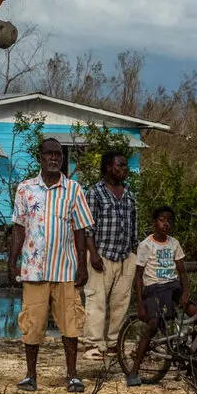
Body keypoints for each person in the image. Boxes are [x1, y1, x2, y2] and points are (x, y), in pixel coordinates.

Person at [9, 136, 93, 392]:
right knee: (32, 324)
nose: (54, 158)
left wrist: (82, 265)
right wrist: (12, 262)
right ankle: (30, 375)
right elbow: (19, 228)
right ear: (40, 158)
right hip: (33, 271)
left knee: (70, 323)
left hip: (66, 269)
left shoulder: (74, 190)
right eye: (49, 154)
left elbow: (81, 229)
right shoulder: (25, 189)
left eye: (58, 154)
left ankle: (73, 375)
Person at [126, 205, 195, 387]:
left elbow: (182, 272)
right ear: (154, 223)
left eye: (169, 221)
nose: (166, 224)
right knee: (153, 324)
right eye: (162, 220)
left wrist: (185, 292)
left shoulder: (174, 243)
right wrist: (139, 303)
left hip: (172, 287)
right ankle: (133, 371)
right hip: (154, 288)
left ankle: (191, 361)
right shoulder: (145, 245)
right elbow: (139, 276)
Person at [81, 148, 138, 361]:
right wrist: (93, 254)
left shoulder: (129, 193)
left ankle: (114, 343)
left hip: (125, 256)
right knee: (96, 301)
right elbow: (88, 226)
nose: (125, 169)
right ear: (108, 167)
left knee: (121, 303)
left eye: (125, 165)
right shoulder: (95, 192)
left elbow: (133, 224)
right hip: (101, 255)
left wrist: (133, 252)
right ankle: (93, 344)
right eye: (120, 165)